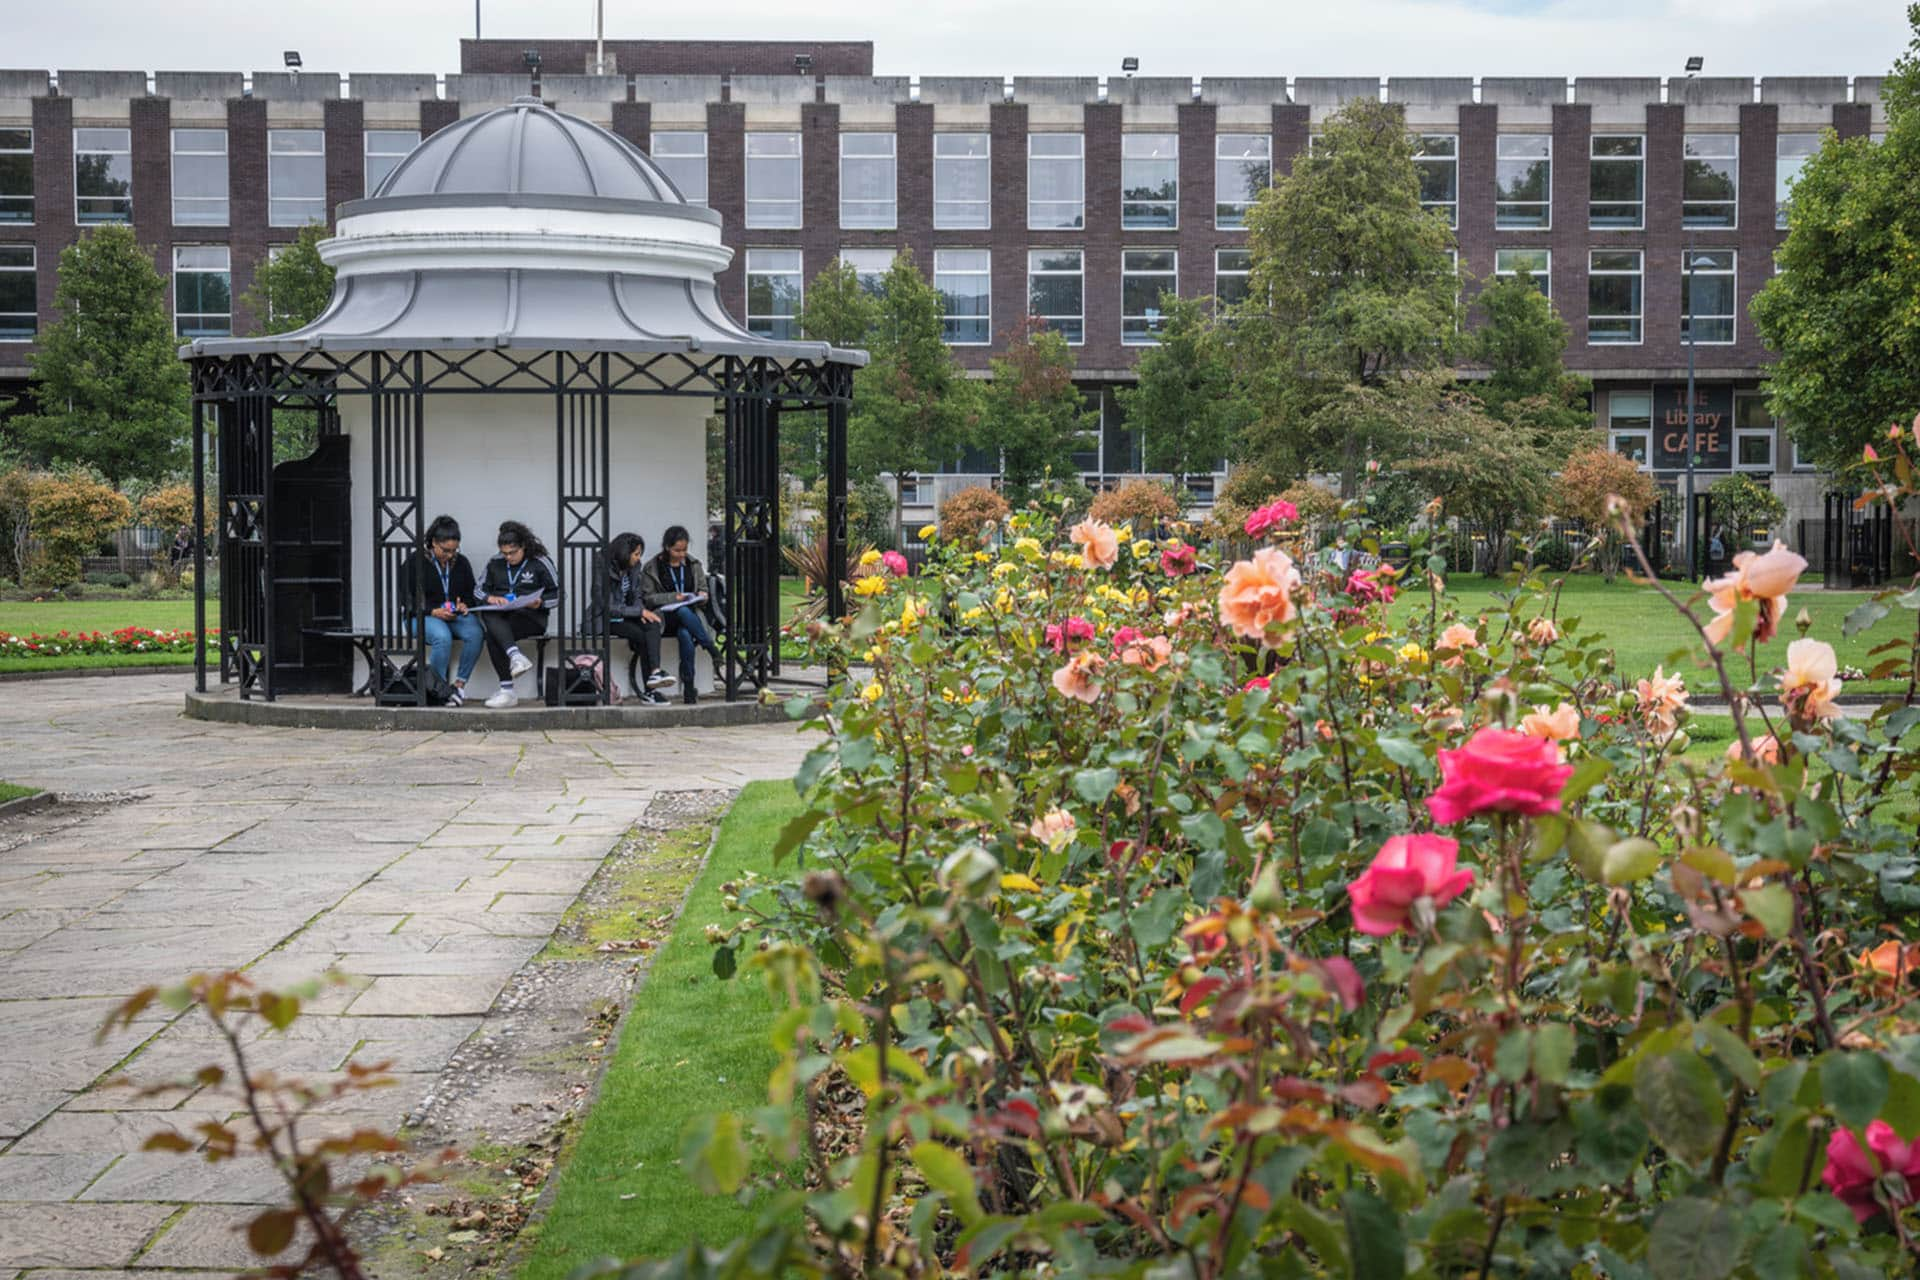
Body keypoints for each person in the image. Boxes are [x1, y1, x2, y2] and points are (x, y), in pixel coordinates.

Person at [474, 520, 560, 709]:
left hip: (531, 617)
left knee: (493, 633)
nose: (508, 557)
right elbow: (478, 591)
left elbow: (559, 595)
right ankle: (515, 659)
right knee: (490, 618)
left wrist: (540, 603)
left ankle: (507, 690)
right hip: (503, 616)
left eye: (513, 553)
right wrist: (491, 598)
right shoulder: (495, 562)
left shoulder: (540, 562)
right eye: (504, 553)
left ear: (524, 547)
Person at [640, 523, 724, 704]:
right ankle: (710, 647)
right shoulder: (652, 568)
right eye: (677, 550)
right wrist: (673, 597)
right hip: (664, 618)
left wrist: (701, 596)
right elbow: (648, 599)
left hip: (690, 619)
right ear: (667, 547)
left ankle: (688, 688)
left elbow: (703, 591)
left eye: (684, 550)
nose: (681, 554)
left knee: (685, 634)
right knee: (682, 610)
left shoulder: (693, 565)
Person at [405, 514, 484, 706]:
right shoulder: (415, 562)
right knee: (442, 637)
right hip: (422, 616)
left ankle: (458, 687)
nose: (450, 555)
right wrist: (432, 611)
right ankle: (437, 690)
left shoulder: (461, 562)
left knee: (476, 633)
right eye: (446, 550)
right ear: (433, 542)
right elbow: (407, 599)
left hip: (452, 615)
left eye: (454, 550)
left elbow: (471, 593)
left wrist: (465, 605)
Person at [598, 532, 676, 705]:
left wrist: (641, 611)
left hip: (628, 615)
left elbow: (637, 595)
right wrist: (638, 613)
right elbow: (607, 607)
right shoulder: (603, 568)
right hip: (607, 620)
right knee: (642, 638)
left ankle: (655, 673)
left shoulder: (634, 568)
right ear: (624, 553)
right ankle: (651, 692)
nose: (638, 558)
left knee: (653, 622)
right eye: (636, 554)